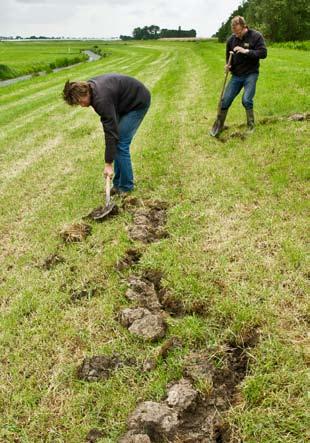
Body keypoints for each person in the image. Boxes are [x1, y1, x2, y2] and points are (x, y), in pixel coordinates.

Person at [63, 73, 151, 194]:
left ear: (85, 93)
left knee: (120, 143)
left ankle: (126, 188)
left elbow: (110, 132)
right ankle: (118, 184)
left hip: (137, 102)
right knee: (117, 142)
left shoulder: (101, 99)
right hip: (123, 104)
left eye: (80, 101)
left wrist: (108, 164)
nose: (82, 105)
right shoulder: (91, 89)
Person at [211, 16, 267, 136]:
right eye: (234, 32)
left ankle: (251, 126)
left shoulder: (256, 36)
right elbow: (228, 59)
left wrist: (246, 51)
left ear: (244, 27)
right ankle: (219, 126)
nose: (237, 35)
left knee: (246, 100)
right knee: (224, 101)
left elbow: (263, 53)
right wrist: (227, 66)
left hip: (251, 74)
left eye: (239, 32)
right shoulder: (231, 40)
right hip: (236, 76)